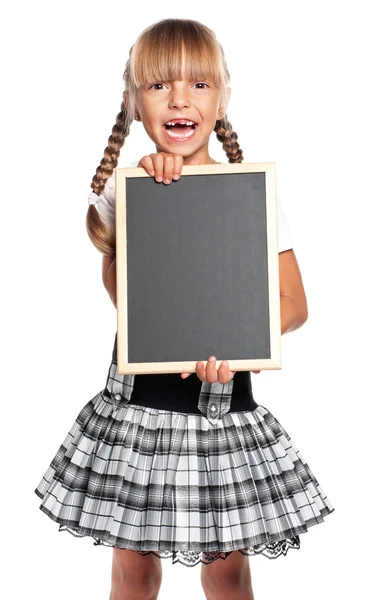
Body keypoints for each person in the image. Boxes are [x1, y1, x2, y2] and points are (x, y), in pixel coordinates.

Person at [34, 17, 335, 600]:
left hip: (222, 402)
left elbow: (294, 304)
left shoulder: (251, 194)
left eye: (198, 85)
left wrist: (230, 334)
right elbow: (127, 293)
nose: (179, 99)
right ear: (133, 104)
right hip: (140, 408)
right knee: (133, 570)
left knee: (226, 571)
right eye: (159, 85)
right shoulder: (127, 191)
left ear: (221, 100)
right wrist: (150, 205)